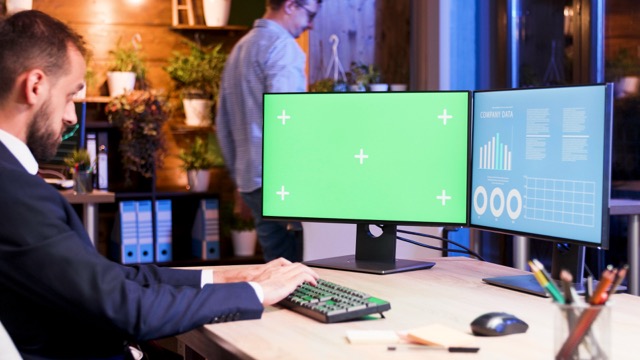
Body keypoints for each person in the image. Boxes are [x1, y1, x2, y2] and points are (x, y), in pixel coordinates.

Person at [0, 10, 318, 360]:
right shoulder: (14, 192)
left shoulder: (15, 181)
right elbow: (129, 308)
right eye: (71, 96)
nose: (72, 116)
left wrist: (228, 276)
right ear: (35, 86)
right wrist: (256, 292)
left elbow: (110, 278)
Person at [216, 0, 322, 263]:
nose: (310, 24)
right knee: (305, 269)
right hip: (283, 182)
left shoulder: (240, 49)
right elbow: (287, 121)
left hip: (252, 182)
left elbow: (223, 123)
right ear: (289, 5)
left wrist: (240, 182)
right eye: (308, 15)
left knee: (277, 265)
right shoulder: (284, 48)